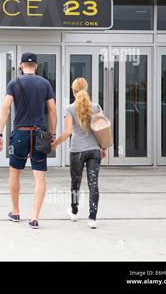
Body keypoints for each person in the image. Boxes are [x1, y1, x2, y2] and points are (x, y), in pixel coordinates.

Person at [0, 52, 57, 229]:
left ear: (21, 66)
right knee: (39, 177)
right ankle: (35, 218)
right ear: (36, 66)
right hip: (39, 134)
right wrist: (52, 135)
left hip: (20, 134)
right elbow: (52, 111)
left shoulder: (14, 83)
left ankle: (15, 212)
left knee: (14, 173)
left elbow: (5, 108)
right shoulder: (45, 84)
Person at [51, 77, 106, 229]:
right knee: (93, 184)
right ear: (86, 89)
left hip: (77, 151)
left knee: (76, 182)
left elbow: (68, 132)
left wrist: (55, 143)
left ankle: (74, 213)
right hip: (94, 150)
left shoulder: (69, 109)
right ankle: (92, 219)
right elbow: (102, 129)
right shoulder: (96, 107)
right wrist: (104, 148)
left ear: (73, 91)